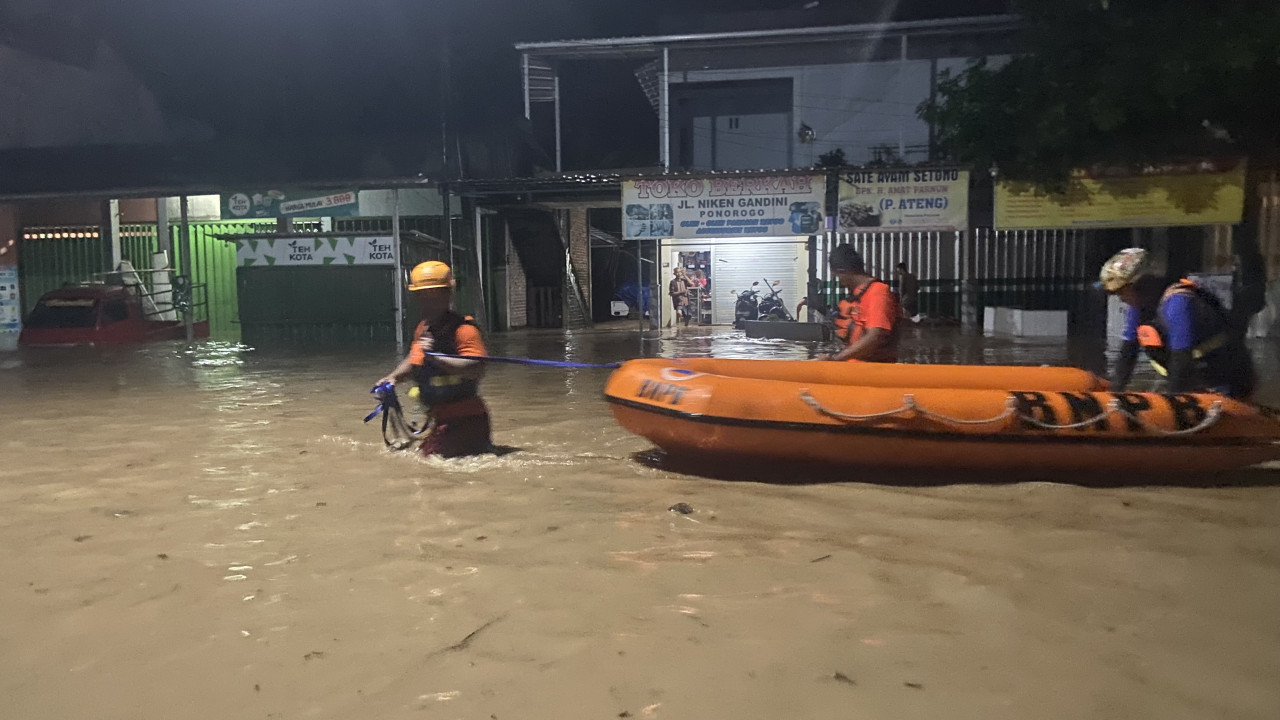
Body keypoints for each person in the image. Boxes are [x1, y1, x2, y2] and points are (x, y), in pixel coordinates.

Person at [1099, 247, 1256, 399]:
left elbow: (1181, 360)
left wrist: (1172, 402)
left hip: (1226, 381)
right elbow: (1128, 354)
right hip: (1193, 380)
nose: (1120, 298)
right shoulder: (1138, 306)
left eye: (1121, 291)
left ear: (1141, 284)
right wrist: (1115, 395)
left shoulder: (1178, 302)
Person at [378, 260, 493, 457]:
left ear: (448, 295)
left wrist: (436, 357)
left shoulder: (465, 331)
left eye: (434, 296)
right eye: (422, 296)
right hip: (440, 418)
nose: (428, 302)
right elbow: (414, 358)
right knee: (416, 456)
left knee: (426, 463)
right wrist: (393, 378)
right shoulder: (424, 329)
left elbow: (476, 368)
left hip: (466, 419)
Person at [820, 245, 899, 363]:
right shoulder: (858, 295)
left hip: (872, 370)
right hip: (853, 367)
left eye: (837, 277)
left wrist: (835, 359)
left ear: (842, 272)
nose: (840, 283)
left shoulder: (878, 292)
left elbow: (875, 336)